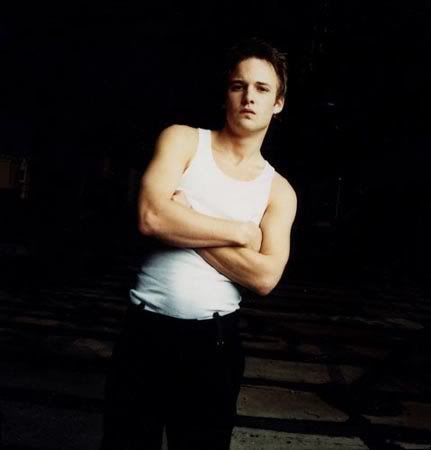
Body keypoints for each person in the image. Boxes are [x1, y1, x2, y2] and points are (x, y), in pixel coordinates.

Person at [99, 37, 297, 450]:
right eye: (239, 85)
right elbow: (151, 217)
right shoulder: (184, 140)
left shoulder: (278, 190)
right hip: (144, 334)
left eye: (262, 88)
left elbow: (264, 277)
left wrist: (186, 220)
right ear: (226, 93)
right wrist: (241, 233)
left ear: (278, 103)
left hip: (215, 345)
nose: (249, 97)